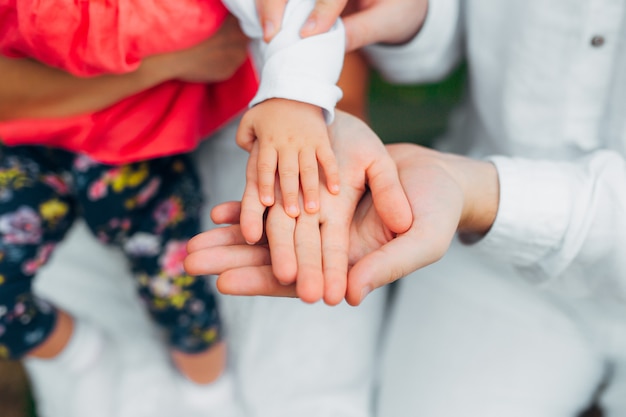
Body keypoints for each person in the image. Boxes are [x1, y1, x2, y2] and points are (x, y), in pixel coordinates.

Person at [186, 0, 626, 415]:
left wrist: (478, 192)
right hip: (484, 243)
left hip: (481, 199)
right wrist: (418, 18)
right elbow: (452, 37)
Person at [0, 0, 374, 415]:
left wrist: (295, 98)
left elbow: (296, 16)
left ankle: (207, 388)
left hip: (137, 146)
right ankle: (81, 355)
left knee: (177, 284)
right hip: (27, 145)